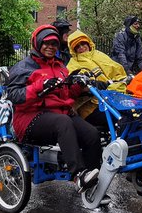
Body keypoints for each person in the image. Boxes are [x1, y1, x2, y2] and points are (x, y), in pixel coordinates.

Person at [6, 24, 101, 195]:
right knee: (63, 122)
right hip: (29, 119)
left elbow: (66, 94)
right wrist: (39, 86)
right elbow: (13, 95)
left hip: (58, 115)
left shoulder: (60, 67)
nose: (50, 47)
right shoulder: (24, 67)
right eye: (46, 43)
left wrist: (78, 87)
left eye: (54, 44)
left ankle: (92, 182)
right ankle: (78, 174)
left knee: (92, 134)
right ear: (37, 43)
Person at [65, 30, 128, 126]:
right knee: (121, 118)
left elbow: (118, 71)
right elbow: (76, 84)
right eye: (77, 46)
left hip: (114, 99)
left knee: (131, 114)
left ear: (88, 43)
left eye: (83, 44)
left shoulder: (100, 55)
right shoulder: (72, 64)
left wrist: (121, 82)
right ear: (73, 50)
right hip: (92, 107)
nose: (81, 48)